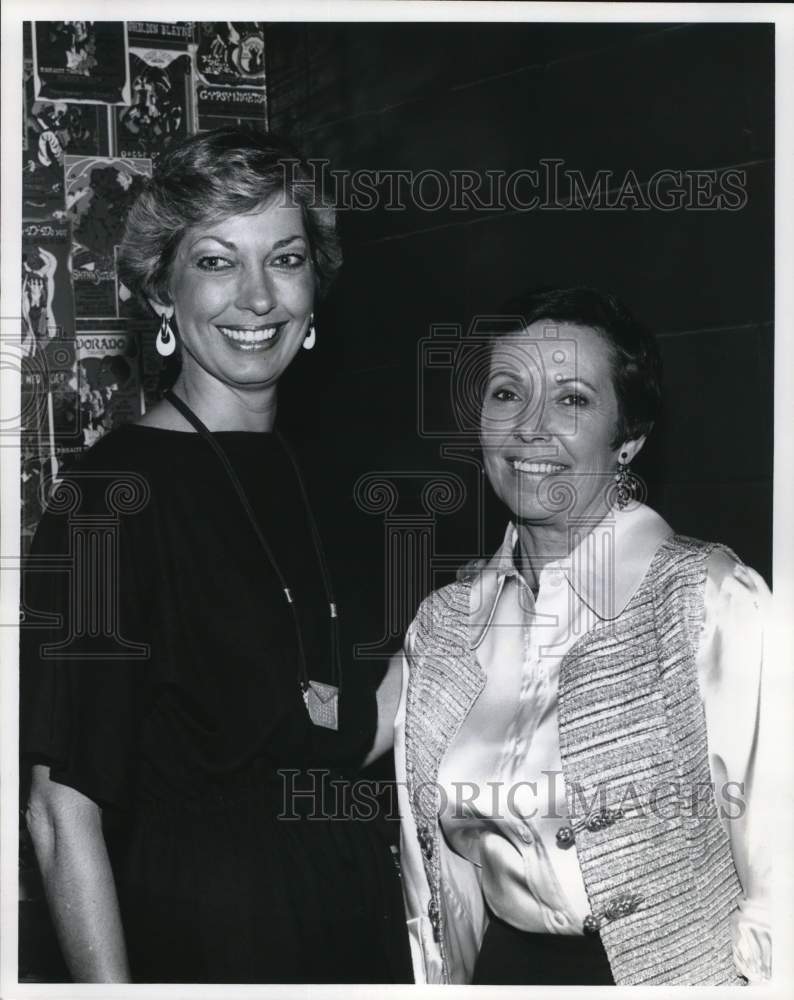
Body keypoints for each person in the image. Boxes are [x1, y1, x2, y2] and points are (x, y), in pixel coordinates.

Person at [21, 128, 409, 985]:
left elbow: (366, 720)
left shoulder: (343, 485)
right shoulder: (107, 500)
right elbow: (60, 810)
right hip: (203, 942)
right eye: (217, 262)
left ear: (316, 286)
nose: (258, 298)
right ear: (163, 290)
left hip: (360, 934)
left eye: (286, 258)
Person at [394, 286, 773, 986]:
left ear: (628, 439)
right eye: (508, 393)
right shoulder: (443, 627)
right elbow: (434, 887)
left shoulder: (710, 599)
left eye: (571, 399)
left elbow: (782, 876)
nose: (531, 428)